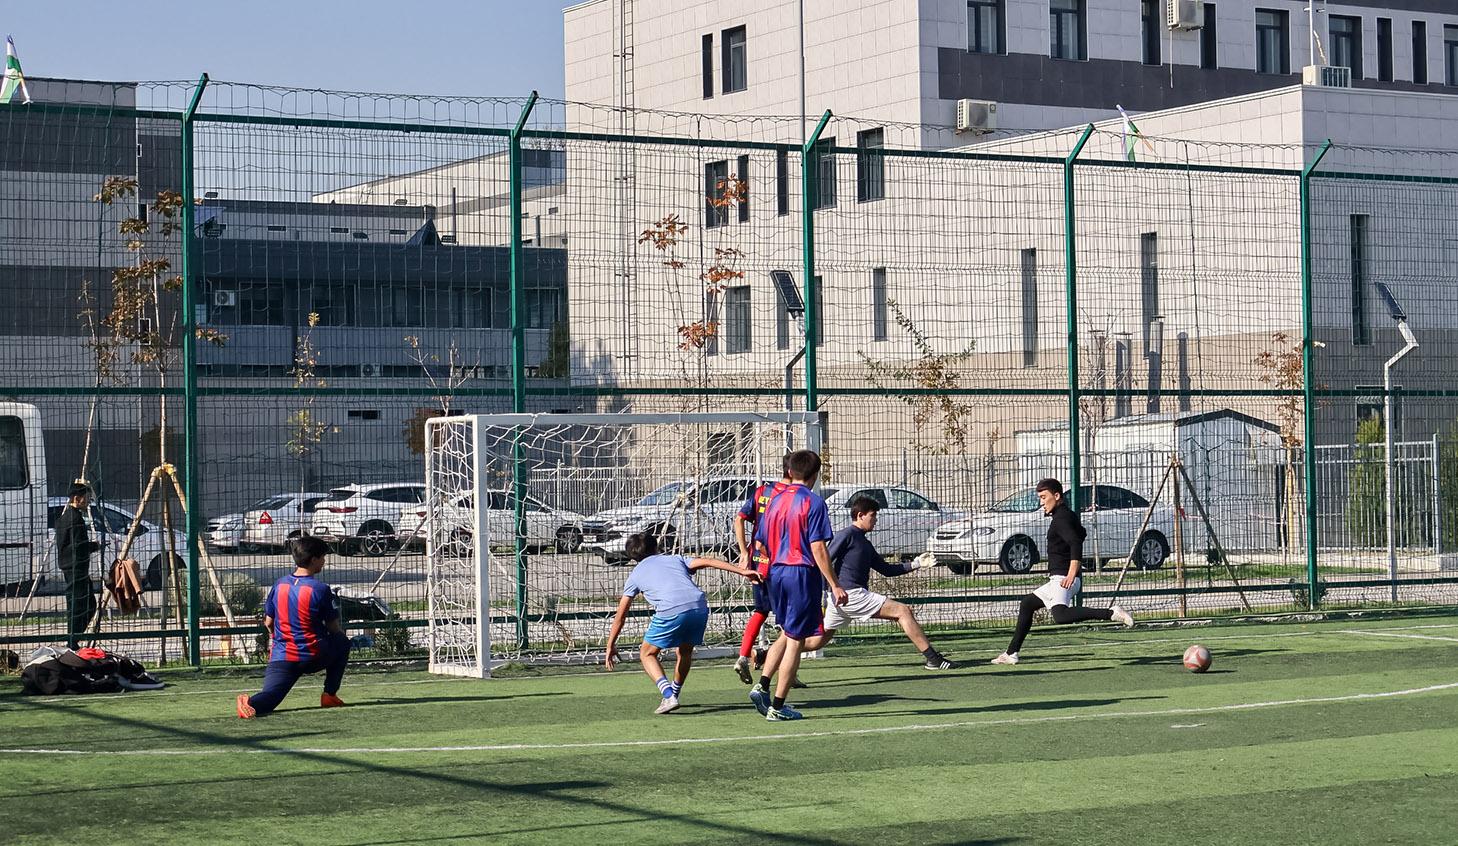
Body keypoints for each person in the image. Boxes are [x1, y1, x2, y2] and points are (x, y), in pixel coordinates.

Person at [605, 532, 760, 714]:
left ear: (631, 556)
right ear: (656, 548)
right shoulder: (675, 559)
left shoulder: (635, 575)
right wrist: (742, 571)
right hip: (699, 607)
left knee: (647, 653)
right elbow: (708, 560)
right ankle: (673, 695)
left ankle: (669, 695)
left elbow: (620, 616)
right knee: (684, 651)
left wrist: (610, 645)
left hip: (672, 610)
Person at [990, 478, 1134, 666]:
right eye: (1039, 498)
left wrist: (1072, 571)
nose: (1041, 502)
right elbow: (1081, 534)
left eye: (1044, 497)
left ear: (1056, 496)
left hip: (1063, 577)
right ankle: (1011, 653)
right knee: (1027, 604)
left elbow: (1075, 542)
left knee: (1061, 616)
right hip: (1057, 578)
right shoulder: (1066, 515)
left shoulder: (1062, 518)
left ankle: (1111, 613)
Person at [748, 449, 847, 721]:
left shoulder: (774, 501)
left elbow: (760, 541)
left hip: (775, 572)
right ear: (815, 476)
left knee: (787, 632)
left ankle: (763, 685)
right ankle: (778, 707)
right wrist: (835, 584)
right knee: (796, 639)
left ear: (790, 472)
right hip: (800, 573)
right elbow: (818, 547)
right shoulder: (813, 503)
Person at [819, 496, 956, 670]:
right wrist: (830, 588)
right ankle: (933, 660)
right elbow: (824, 559)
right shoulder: (846, 534)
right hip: (850, 595)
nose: (875, 520)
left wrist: (916, 563)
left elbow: (886, 570)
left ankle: (780, 654)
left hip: (844, 598)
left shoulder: (865, 543)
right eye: (873, 516)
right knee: (903, 611)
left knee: (817, 642)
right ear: (860, 515)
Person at [236, 536, 351, 718]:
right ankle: (329, 694)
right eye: (323, 557)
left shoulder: (279, 584)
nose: (324, 561)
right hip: (312, 654)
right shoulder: (320, 589)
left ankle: (251, 703)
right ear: (313, 559)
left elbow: (268, 623)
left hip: (282, 656)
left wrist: (277, 643)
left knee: (270, 698)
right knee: (343, 642)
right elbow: (334, 627)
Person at [730, 457, 791, 684]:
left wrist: (744, 553)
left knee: (761, 610)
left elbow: (739, 519)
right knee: (788, 620)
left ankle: (744, 657)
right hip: (781, 564)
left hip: (758, 561)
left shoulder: (762, 491)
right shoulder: (792, 496)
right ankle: (787, 671)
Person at [55, 482, 100, 649]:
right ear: (77, 498)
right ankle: (73, 639)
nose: (88, 502)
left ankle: (74, 637)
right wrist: (94, 546)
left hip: (69, 566)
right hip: (76, 567)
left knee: (82, 603)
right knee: (81, 605)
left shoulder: (63, 518)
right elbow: (78, 546)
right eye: (86, 498)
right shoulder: (75, 519)